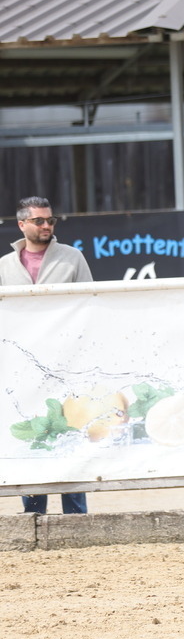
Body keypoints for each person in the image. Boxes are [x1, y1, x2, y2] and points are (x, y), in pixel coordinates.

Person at [0, 196, 93, 514]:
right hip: (21, 368)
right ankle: (33, 516)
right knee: (32, 438)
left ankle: (76, 519)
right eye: (39, 220)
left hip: (68, 364)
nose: (46, 226)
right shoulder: (4, 266)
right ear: (21, 224)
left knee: (71, 437)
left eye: (50, 220)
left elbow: (90, 305)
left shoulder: (72, 257)